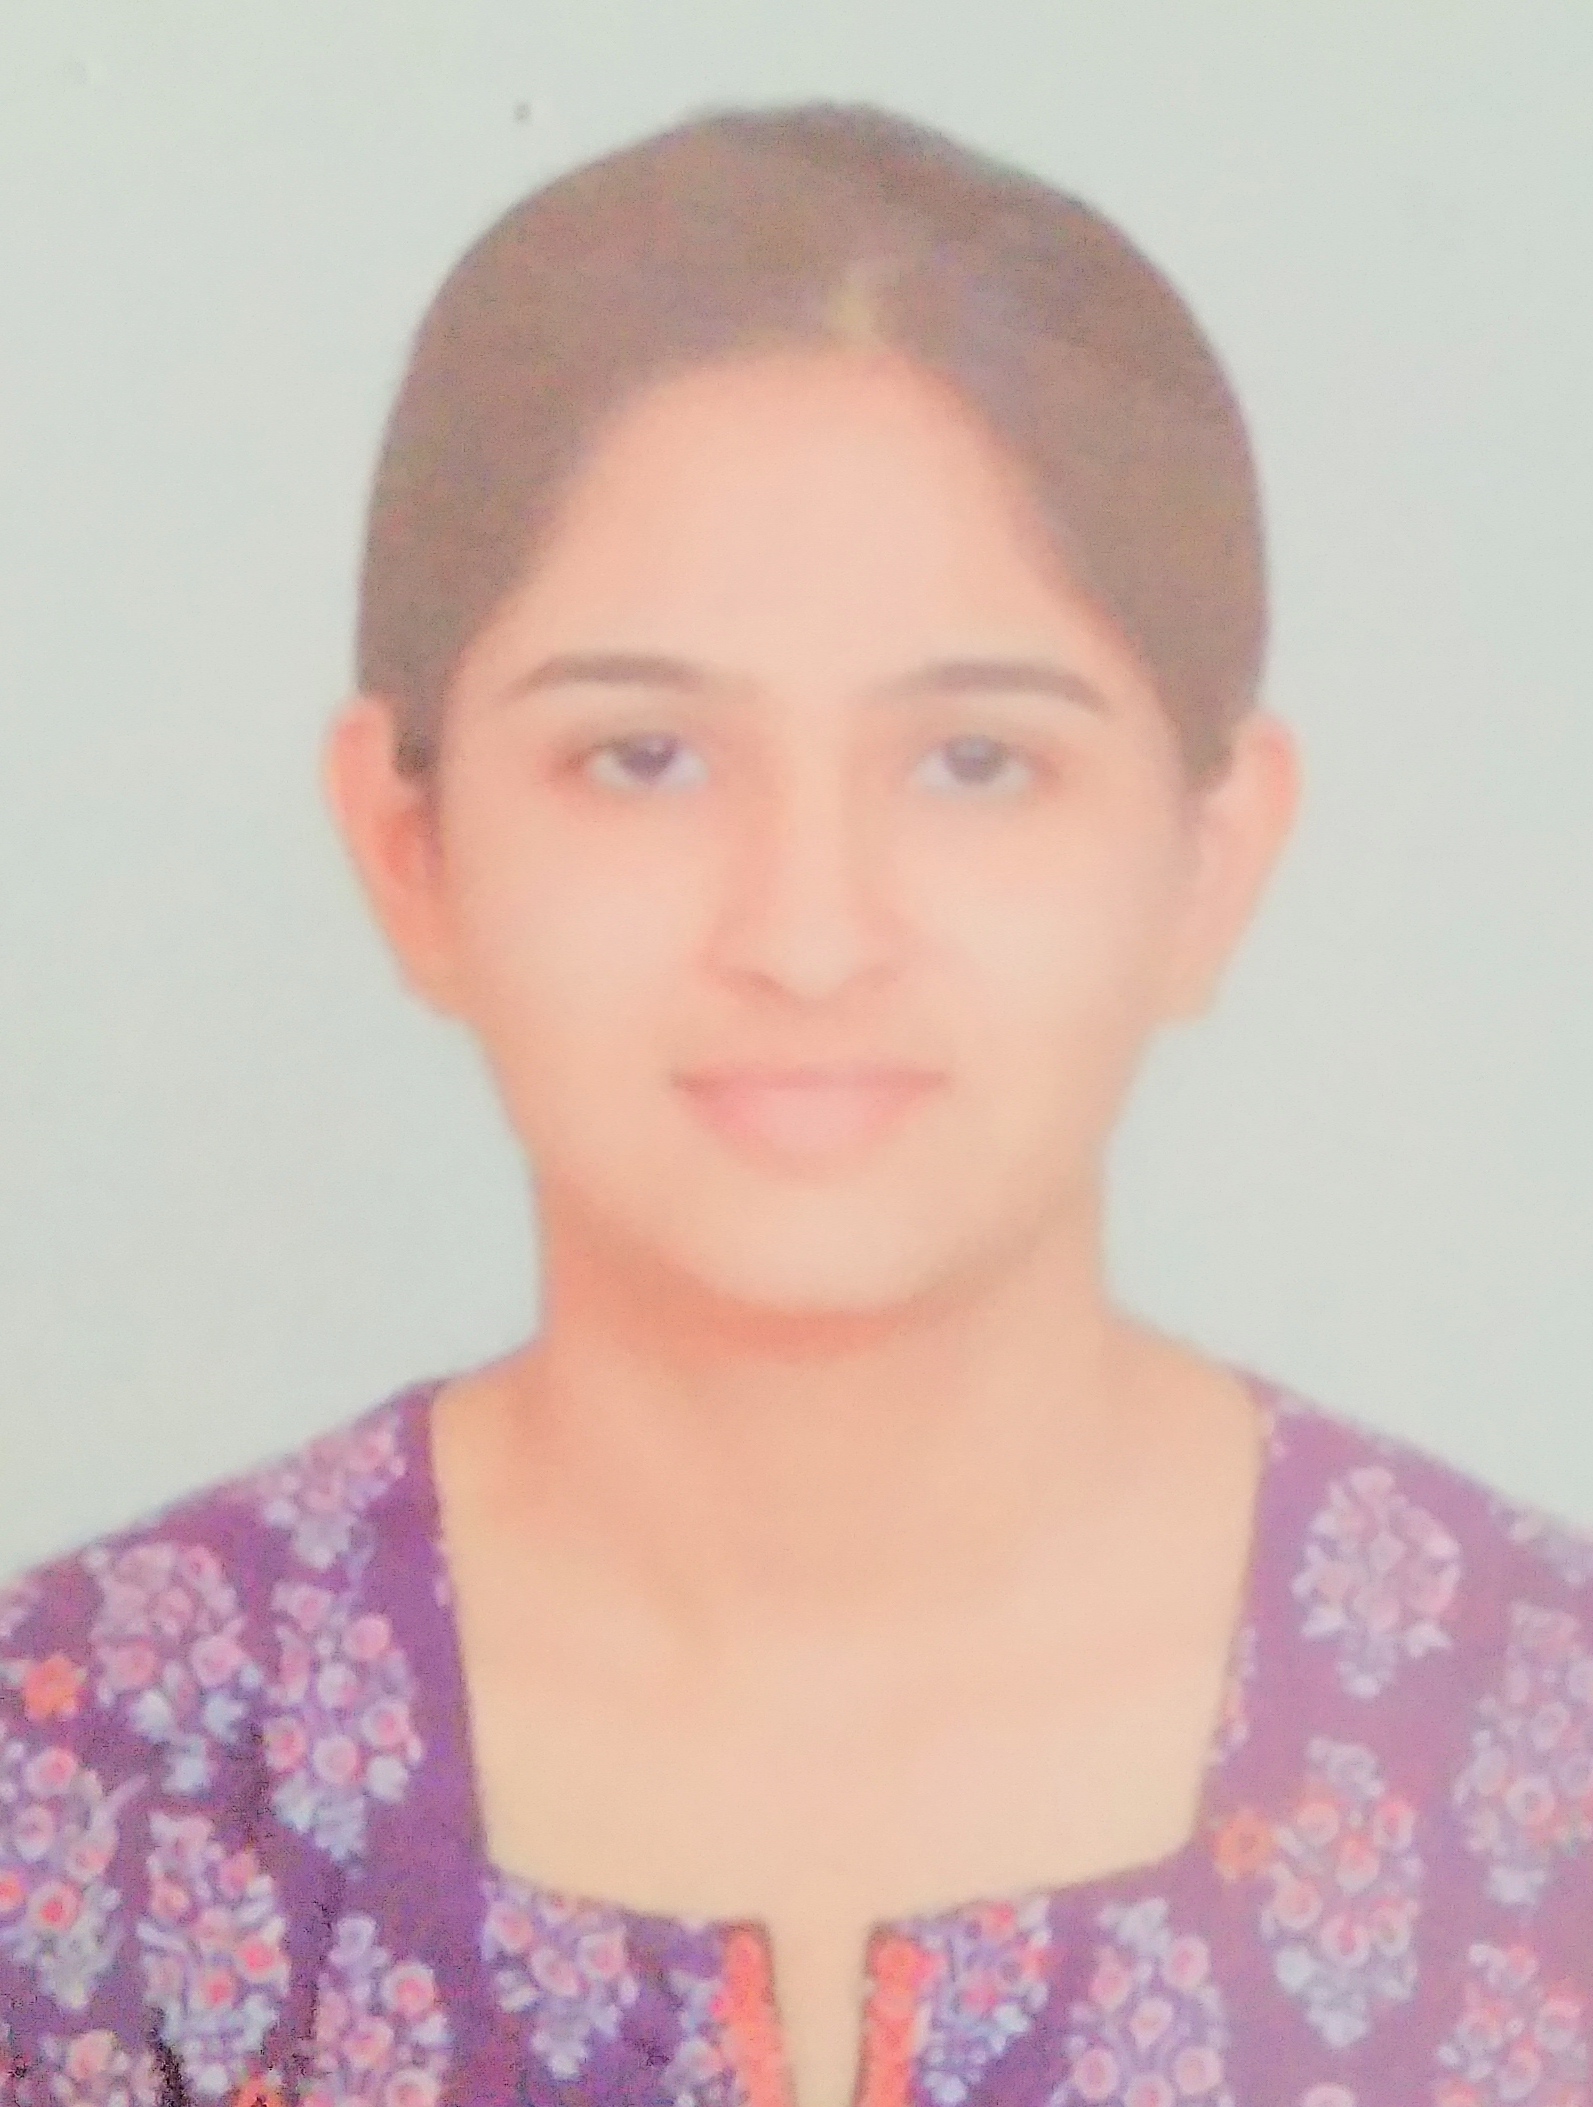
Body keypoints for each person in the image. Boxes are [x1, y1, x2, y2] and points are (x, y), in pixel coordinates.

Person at [3, 100, 1590, 2107]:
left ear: (1208, 862)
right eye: (643, 758)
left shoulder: (1542, 1754)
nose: (809, 935)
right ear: (409, 848)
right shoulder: (80, 1785)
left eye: (976, 762)